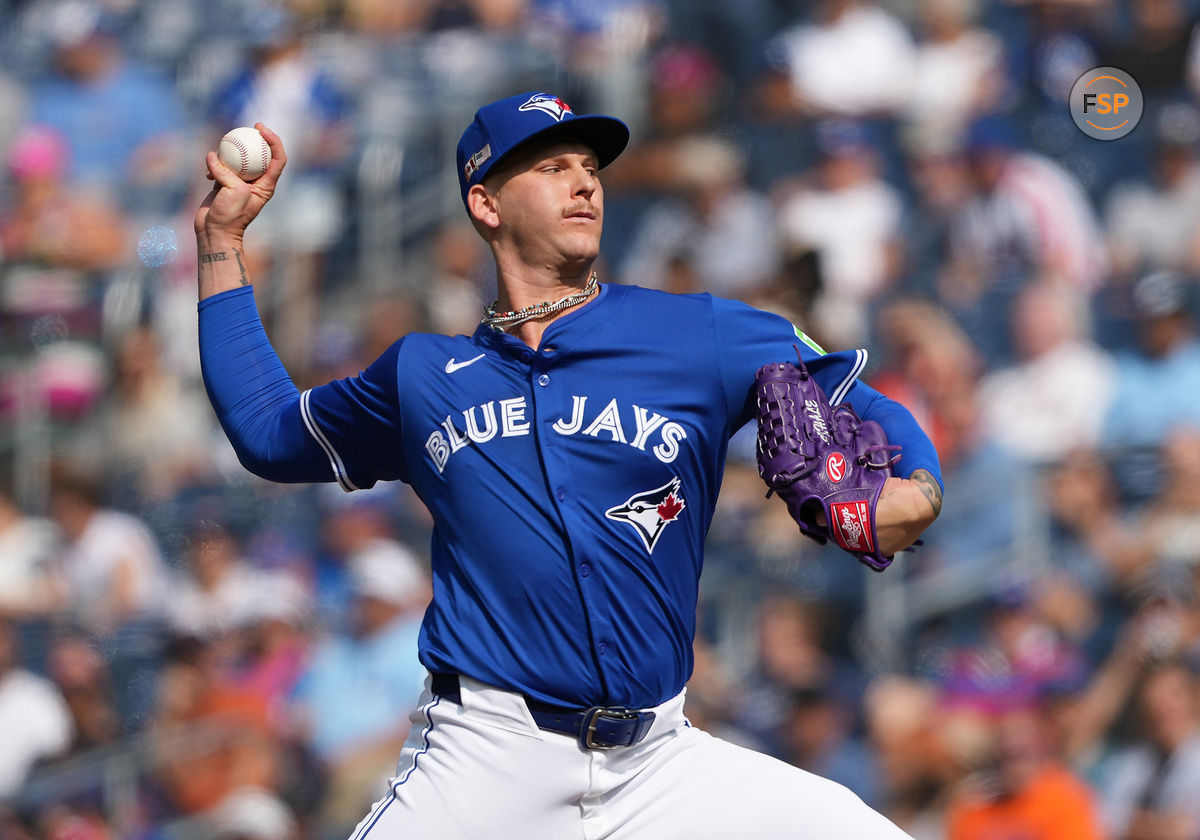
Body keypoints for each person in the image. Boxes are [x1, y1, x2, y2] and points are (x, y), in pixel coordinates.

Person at [193, 91, 943, 837]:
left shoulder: (695, 332)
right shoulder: (421, 375)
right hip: (487, 758)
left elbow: (862, 402)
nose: (585, 182)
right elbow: (267, 432)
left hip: (659, 764)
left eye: (590, 166)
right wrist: (222, 245)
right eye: (552, 167)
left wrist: (920, 487)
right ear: (485, 205)